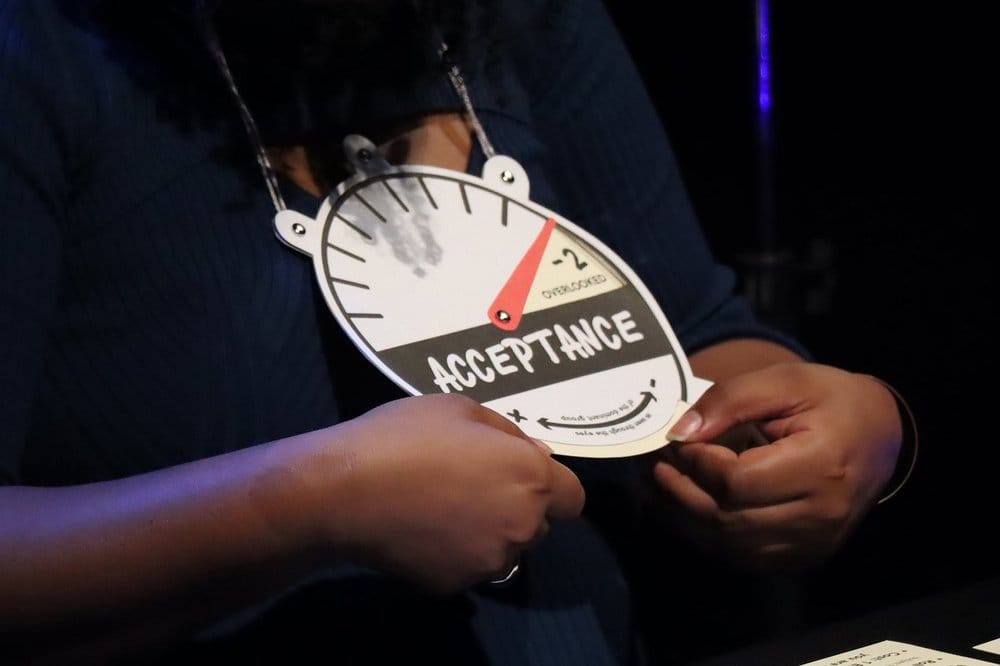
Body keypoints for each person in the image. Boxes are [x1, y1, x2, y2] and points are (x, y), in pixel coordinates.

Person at [0, 0, 915, 663]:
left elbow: (694, 334)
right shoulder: (40, 50)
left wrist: (838, 428)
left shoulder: (511, 19)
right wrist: (313, 505)